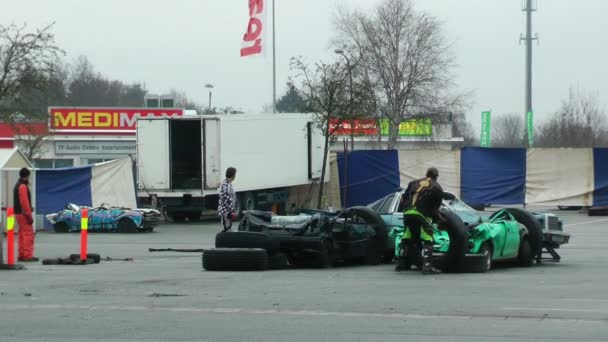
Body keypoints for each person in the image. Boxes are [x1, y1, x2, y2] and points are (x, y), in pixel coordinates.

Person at [395, 167, 444, 274]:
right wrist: (439, 219)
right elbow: (435, 209)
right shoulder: (438, 187)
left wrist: (405, 211)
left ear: (426, 174)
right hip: (422, 214)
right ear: (436, 176)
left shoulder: (413, 182)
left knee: (407, 236)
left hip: (407, 212)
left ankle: (400, 264)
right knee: (428, 237)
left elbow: (404, 198)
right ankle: (427, 267)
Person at [14, 167, 38, 262]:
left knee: (21, 235)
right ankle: (27, 255)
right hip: (24, 214)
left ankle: (21, 254)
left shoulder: (17, 185)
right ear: (27, 176)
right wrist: (29, 215)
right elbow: (24, 202)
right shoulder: (23, 186)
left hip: (18, 213)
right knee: (28, 234)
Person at [218, 167, 237, 232]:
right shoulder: (226, 184)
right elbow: (227, 198)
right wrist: (232, 209)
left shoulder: (228, 183)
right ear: (233, 175)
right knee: (226, 228)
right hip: (226, 210)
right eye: (235, 174)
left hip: (227, 210)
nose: (235, 176)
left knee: (228, 227)